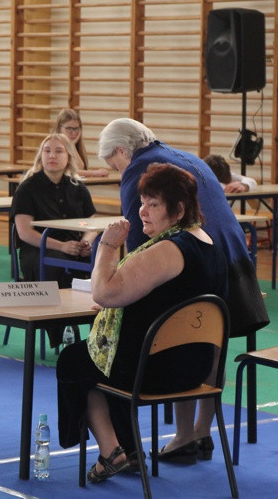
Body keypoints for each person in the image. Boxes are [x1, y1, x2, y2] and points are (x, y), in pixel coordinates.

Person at [98, 118, 269, 463]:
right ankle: (201, 434)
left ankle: (183, 436)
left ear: (121, 150)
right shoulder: (186, 156)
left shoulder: (142, 169)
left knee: (178, 338)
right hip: (230, 260)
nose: (117, 171)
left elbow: (140, 239)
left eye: (112, 163)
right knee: (211, 344)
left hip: (185, 261)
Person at [57, 163, 228, 483]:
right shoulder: (207, 242)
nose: (143, 212)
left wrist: (106, 245)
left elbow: (104, 292)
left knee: (75, 361)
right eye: (142, 202)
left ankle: (112, 453)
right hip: (197, 369)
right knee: (110, 356)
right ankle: (130, 453)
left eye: (154, 205)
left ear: (178, 210)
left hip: (154, 373)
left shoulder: (167, 249)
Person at [11, 133, 96, 347]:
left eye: (58, 151)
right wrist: (62, 246)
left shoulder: (77, 186)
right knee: (55, 266)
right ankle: (61, 331)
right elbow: (24, 233)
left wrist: (87, 242)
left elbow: (92, 222)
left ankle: (98, 331)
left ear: (69, 156)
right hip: (37, 250)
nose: (52, 156)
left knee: (103, 263)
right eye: (47, 151)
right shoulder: (27, 188)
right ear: (40, 156)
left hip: (74, 247)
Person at [53, 108, 109, 178]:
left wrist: (72, 145)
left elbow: (80, 168)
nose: (73, 133)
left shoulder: (73, 145)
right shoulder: (53, 146)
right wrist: (94, 173)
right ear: (59, 128)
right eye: (69, 129)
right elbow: (68, 171)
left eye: (76, 129)